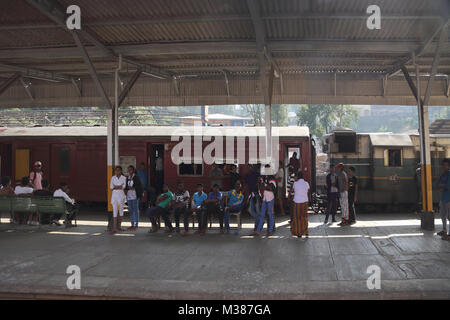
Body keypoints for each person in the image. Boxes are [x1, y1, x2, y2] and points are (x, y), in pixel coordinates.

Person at [252, 167, 276, 236]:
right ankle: (258, 231)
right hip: (264, 198)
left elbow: (272, 188)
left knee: (270, 214)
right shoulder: (263, 177)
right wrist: (262, 185)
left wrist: (264, 186)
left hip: (270, 198)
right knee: (262, 214)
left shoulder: (272, 178)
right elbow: (260, 186)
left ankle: (270, 231)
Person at [291, 171, 310, 238]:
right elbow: (307, 192)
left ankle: (299, 232)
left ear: (297, 177)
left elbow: (292, 191)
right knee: (304, 217)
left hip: (297, 202)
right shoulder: (306, 183)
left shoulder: (295, 184)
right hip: (305, 201)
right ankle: (306, 231)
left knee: (297, 218)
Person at [125, 165, 144, 230]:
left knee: (136, 210)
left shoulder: (136, 177)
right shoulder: (128, 177)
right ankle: (132, 224)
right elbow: (126, 186)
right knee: (131, 210)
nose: (129, 171)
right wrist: (127, 188)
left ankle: (136, 224)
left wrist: (133, 188)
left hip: (135, 195)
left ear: (133, 170)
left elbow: (140, 186)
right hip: (129, 196)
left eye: (130, 170)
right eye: (128, 170)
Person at [109, 166, 126, 234]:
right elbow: (111, 187)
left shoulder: (124, 178)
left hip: (121, 195)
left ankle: (119, 226)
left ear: (121, 171)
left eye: (118, 170)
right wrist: (119, 186)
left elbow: (123, 186)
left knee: (121, 211)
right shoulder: (113, 178)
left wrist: (116, 187)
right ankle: (114, 228)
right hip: (114, 196)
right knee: (115, 211)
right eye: (116, 170)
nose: (117, 172)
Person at [436, 159, 450, 240]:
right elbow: (437, 184)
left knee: (449, 216)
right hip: (443, 198)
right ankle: (444, 231)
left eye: (446, 165)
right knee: (442, 215)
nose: (444, 166)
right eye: (443, 165)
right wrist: (443, 185)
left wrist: (443, 185)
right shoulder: (443, 175)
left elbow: (448, 186)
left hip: (449, 199)